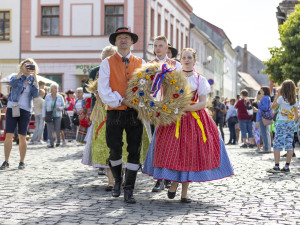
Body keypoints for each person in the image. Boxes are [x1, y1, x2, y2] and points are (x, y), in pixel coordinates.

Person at [143, 48, 234, 203]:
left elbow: (203, 103)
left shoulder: (200, 80)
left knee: (189, 155)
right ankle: (173, 185)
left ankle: (184, 193)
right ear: (180, 60)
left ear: (194, 60)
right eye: (184, 57)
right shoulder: (173, 77)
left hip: (194, 120)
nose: (186, 60)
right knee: (172, 153)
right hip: (174, 120)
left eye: (189, 57)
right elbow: (165, 97)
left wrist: (185, 108)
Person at [98, 27, 145, 204]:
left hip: (135, 113)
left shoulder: (141, 61)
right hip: (115, 112)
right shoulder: (107, 62)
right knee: (114, 149)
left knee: (134, 151)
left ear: (132, 42)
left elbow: (145, 88)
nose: (123, 40)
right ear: (115, 42)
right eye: (120, 38)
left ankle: (129, 189)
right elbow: (104, 90)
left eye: (127, 37)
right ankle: (118, 180)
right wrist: (123, 101)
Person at [149, 35, 182, 192]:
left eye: (160, 45)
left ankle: (169, 176)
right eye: (155, 45)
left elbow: (182, 87)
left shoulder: (176, 65)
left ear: (167, 47)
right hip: (155, 110)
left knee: (171, 143)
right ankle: (158, 178)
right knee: (157, 143)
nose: (157, 48)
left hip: (171, 109)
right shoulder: (148, 65)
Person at [0, 58, 39, 170]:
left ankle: (21, 161)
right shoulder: (15, 77)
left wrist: (35, 76)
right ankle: (6, 161)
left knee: (22, 136)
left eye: (30, 66)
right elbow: (12, 83)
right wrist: (21, 73)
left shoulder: (33, 79)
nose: (28, 68)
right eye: (26, 66)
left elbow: (36, 94)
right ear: (21, 67)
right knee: (9, 135)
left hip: (25, 109)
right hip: (13, 107)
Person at [268, 80, 298, 173]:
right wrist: (293, 123)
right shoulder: (294, 100)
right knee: (289, 145)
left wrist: (277, 95)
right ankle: (287, 167)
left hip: (281, 123)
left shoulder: (281, 98)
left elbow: (273, 107)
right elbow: (296, 115)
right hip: (291, 123)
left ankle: (276, 166)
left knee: (277, 144)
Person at [42, 83, 65, 148]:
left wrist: (60, 108)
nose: (56, 89)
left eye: (57, 88)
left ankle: (58, 140)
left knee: (57, 129)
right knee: (49, 129)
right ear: (51, 89)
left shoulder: (60, 97)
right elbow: (44, 106)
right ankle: (51, 143)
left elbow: (63, 105)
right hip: (49, 115)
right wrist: (43, 115)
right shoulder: (47, 96)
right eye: (55, 88)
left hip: (57, 115)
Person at [257, 87, 272, 153]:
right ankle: (267, 147)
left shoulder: (265, 98)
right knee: (266, 133)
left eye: (261, 90)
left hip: (263, 118)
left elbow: (265, 108)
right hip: (264, 117)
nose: (260, 91)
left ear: (264, 91)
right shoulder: (267, 97)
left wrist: (259, 104)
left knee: (264, 133)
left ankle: (266, 148)